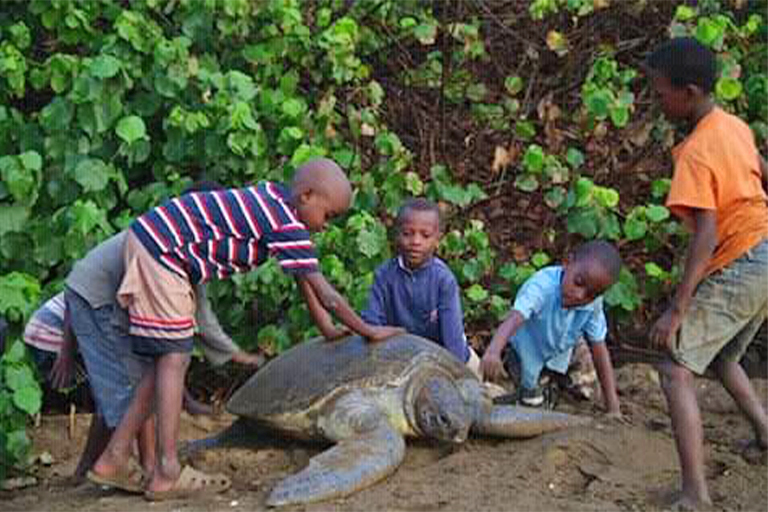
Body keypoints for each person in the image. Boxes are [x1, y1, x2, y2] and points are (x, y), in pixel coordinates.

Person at [87, 158, 404, 501]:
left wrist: (327, 330)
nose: (326, 226)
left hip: (155, 244)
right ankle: (165, 470)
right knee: (174, 360)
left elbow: (304, 281)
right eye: (328, 216)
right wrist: (368, 331)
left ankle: (113, 457)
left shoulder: (275, 202)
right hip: (162, 252)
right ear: (307, 196)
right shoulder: (285, 220)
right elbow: (326, 293)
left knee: (165, 362)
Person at [63, 182, 262, 485]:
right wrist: (239, 356)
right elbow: (202, 323)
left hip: (100, 299)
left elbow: (199, 315)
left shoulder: (177, 240)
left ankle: (102, 468)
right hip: (97, 302)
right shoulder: (172, 243)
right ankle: (147, 467)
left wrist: (236, 355)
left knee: (137, 383)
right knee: (132, 389)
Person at [644, 37, 768, 511]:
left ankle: (695, 493)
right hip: (763, 252)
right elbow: (758, 169)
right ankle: (762, 433)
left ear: (690, 92)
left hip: (742, 259)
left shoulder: (696, 152)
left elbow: (706, 233)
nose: (658, 101)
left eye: (661, 93)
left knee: (675, 368)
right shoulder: (732, 125)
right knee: (720, 357)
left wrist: (677, 310)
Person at [480, 240, 622, 417]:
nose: (580, 295)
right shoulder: (542, 286)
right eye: (578, 282)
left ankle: (555, 383)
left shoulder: (593, 304)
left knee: (589, 390)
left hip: (563, 350)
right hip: (527, 352)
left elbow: (599, 348)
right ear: (567, 262)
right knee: (531, 406)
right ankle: (537, 386)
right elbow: (514, 318)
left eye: (592, 295)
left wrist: (613, 406)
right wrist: (493, 351)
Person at [361, 198, 482, 377]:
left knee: (473, 380)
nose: (415, 241)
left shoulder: (444, 280)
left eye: (425, 235)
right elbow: (371, 324)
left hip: (442, 354)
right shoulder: (384, 275)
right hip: (398, 356)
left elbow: (453, 341)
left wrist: (454, 374)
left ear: (437, 239)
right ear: (396, 235)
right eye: (407, 233)